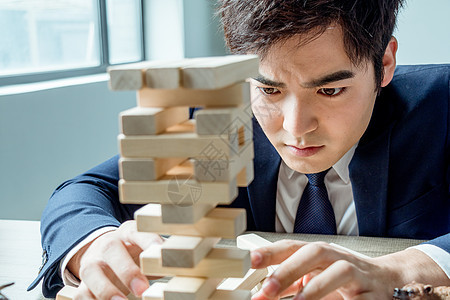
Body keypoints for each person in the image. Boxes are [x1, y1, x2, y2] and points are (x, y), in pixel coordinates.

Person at [28, 0, 450, 299]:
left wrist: (399, 269)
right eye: (269, 89)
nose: (294, 127)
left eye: (330, 89)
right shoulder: (219, 121)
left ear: (385, 64)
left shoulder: (441, 107)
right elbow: (85, 191)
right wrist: (93, 243)